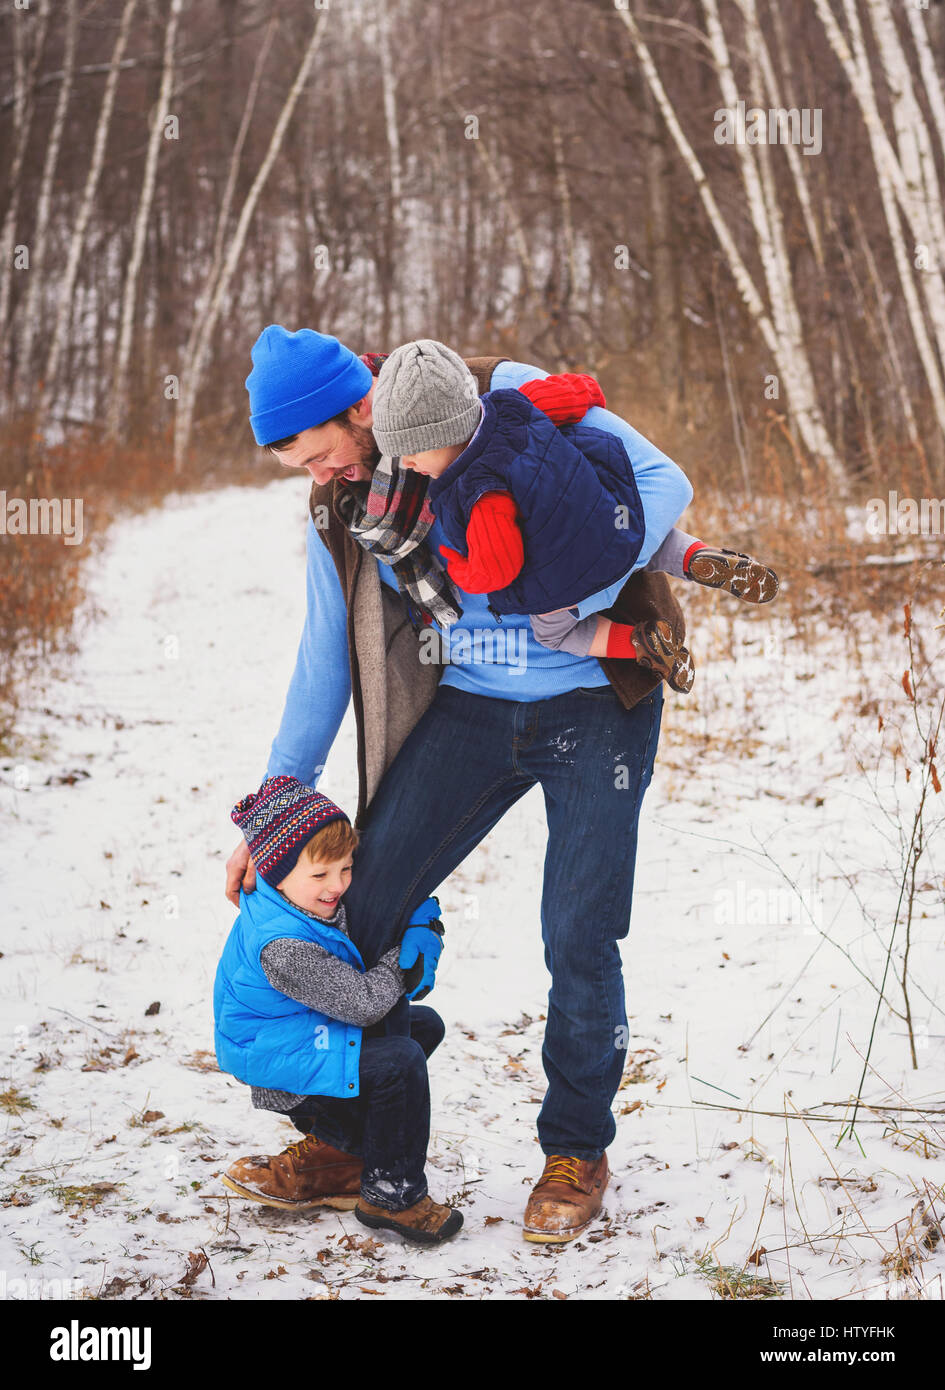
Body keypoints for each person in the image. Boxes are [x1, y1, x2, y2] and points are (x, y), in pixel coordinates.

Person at [226, 326, 696, 1243]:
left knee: (581, 931)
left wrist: (583, 580)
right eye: (302, 466)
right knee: (357, 908)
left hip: (597, 698)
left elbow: (663, 483)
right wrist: (280, 801)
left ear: (363, 409)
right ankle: (348, 1141)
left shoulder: (494, 395)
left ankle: (575, 1150)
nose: (321, 476)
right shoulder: (346, 509)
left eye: (321, 454)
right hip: (468, 711)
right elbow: (326, 654)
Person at [371, 339, 779, 693]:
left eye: (413, 450)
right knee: (652, 537)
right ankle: (696, 558)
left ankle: (642, 643)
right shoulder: (518, 404)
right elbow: (578, 391)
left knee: (554, 636)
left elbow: (498, 568)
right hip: (609, 525)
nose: (407, 464)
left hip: (564, 588)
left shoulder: (475, 492)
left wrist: (460, 566)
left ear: (443, 434)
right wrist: (588, 397)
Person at [214, 774, 462, 1245]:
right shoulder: (282, 946)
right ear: (274, 871)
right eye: (322, 875)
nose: (337, 886)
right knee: (399, 1060)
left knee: (420, 1027)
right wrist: (402, 962)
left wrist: (412, 917)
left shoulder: (298, 899)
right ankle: (393, 1195)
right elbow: (364, 1004)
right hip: (284, 1064)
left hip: (302, 1035)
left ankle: (345, 1152)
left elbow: (359, 912)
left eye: (345, 869)